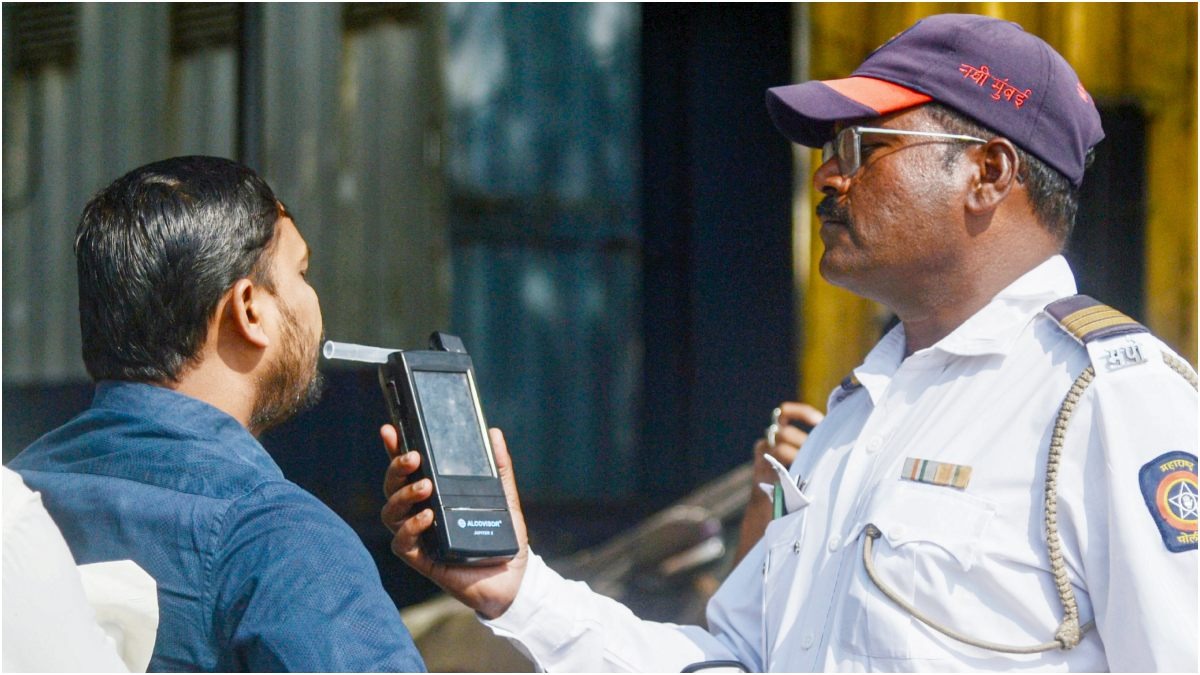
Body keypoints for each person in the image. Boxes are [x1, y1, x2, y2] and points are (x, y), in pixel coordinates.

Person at [379, 13, 1197, 672]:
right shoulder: (854, 420)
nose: (826, 177)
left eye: (860, 147)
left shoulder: (1106, 400)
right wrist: (518, 588)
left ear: (987, 172)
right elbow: (733, 660)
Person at [8, 156, 426, 671]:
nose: (315, 302)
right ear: (249, 309)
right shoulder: (285, 545)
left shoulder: (18, 497)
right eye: (302, 273)